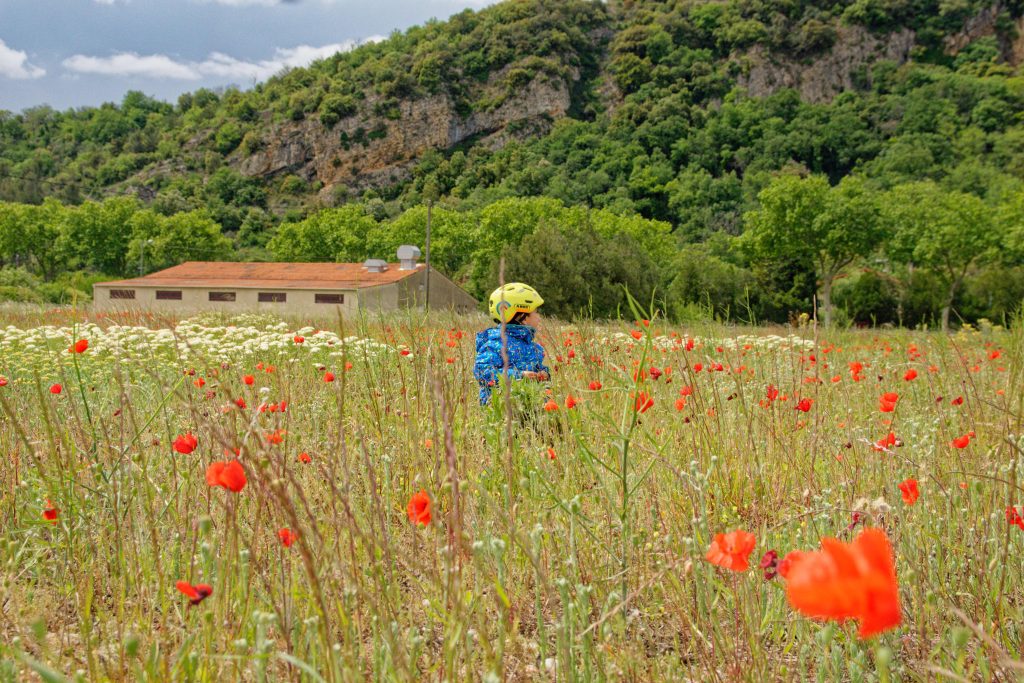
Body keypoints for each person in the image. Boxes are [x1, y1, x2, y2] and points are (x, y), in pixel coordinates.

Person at [474, 283, 550, 406]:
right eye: (536, 312)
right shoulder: (494, 344)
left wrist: (544, 373)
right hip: (500, 408)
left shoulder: (533, 347)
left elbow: (537, 368)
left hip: (529, 406)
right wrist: (519, 376)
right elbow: (483, 372)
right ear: (523, 317)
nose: (539, 317)